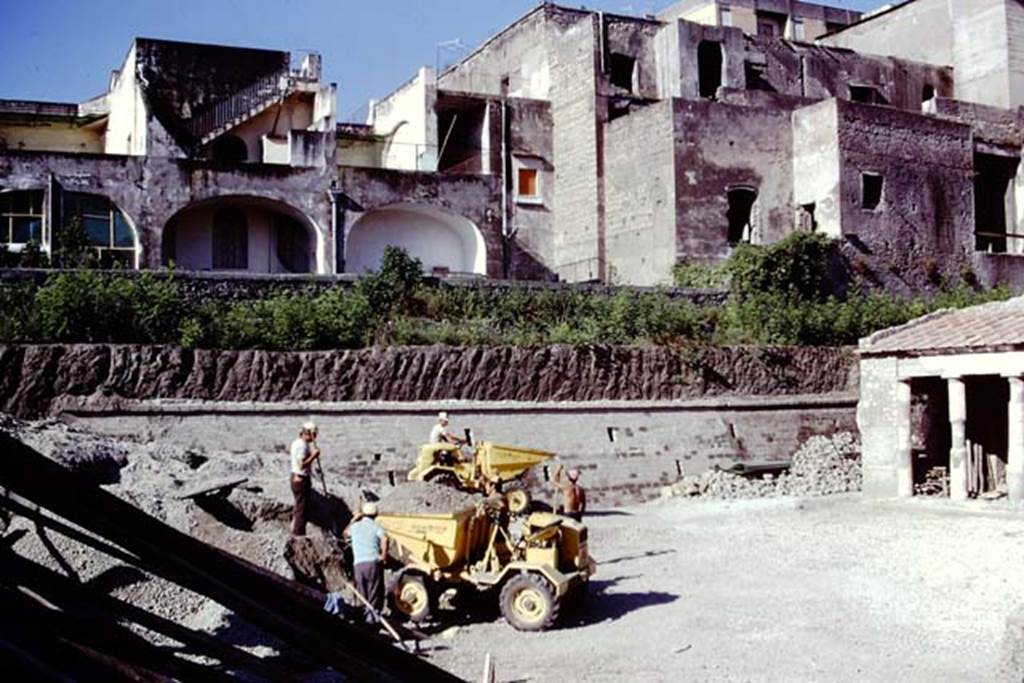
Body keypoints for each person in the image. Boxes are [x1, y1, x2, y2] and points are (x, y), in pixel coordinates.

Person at [345, 501, 389, 624]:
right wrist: (383, 556)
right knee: (373, 592)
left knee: (362, 594)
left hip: (358, 565)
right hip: (372, 563)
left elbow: (344, 534)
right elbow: (385, 539)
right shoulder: (376, 526)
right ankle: (372, 620)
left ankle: (364, 619)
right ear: (376, 515)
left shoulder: (355, 526)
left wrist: (354, 519)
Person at [289, 421, 321, 536]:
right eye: (314, 434)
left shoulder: (298, 443)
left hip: (298, 477)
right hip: (300, 479)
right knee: (302, 509)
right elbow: (301, 464)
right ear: (309, 434)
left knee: (300, 506)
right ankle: (298, 534)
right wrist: (313, 456)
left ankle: (296, 528)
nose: (315, 437)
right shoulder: (302, 445)